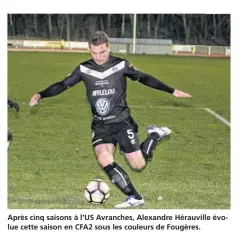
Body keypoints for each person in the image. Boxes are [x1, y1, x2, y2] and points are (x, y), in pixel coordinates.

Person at [29, 31, 191, 208]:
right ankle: (135, 197)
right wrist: (40, 95)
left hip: (122, 122)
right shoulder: (84, 69)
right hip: (100, 124)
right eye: (94, 53)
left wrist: (171, 90)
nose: (98, 57)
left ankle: (154, 135)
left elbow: (143, 77)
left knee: (138, 165)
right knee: (104, 158)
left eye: (102, 52)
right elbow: (62, 85)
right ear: (89, 50)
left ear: (108, 47)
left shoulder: (121, 65)